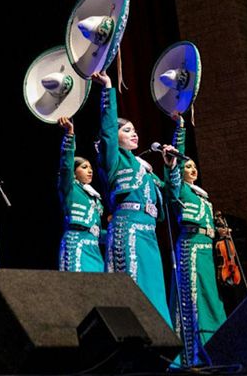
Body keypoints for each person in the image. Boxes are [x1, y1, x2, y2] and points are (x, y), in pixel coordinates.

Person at [94, 70, 171, 325]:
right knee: (134, 287)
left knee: (154, 290)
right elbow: (106, 131)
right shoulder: (113, 161)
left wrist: (171, 165)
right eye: (127, 130)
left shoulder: (144, 170)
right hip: (128, 230)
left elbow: (171, 194)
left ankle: (166, 354)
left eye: (134, 130)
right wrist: (107, 89)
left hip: (149, 233)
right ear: (116, 138)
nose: (134, 133)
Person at [165, 114, 227, 365]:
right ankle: (191, 355)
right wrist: (180, 128)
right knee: (192, 298)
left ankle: (215, 345)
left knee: (209, 296)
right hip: (190, 248)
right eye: (187, 166)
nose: (192, 169)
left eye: (193, 166)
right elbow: (176, 166)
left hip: (205, 250)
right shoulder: (181, 190)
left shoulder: (203, 197)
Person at [57, 117, 105, 272]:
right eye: (84, 167)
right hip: (76, 244)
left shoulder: (94, 196)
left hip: (94, 249)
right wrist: (70, 135)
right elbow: (66, 166)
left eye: (90, 167)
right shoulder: (70, 188)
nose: (90, 171)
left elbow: (97, 229)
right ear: (74, 172)